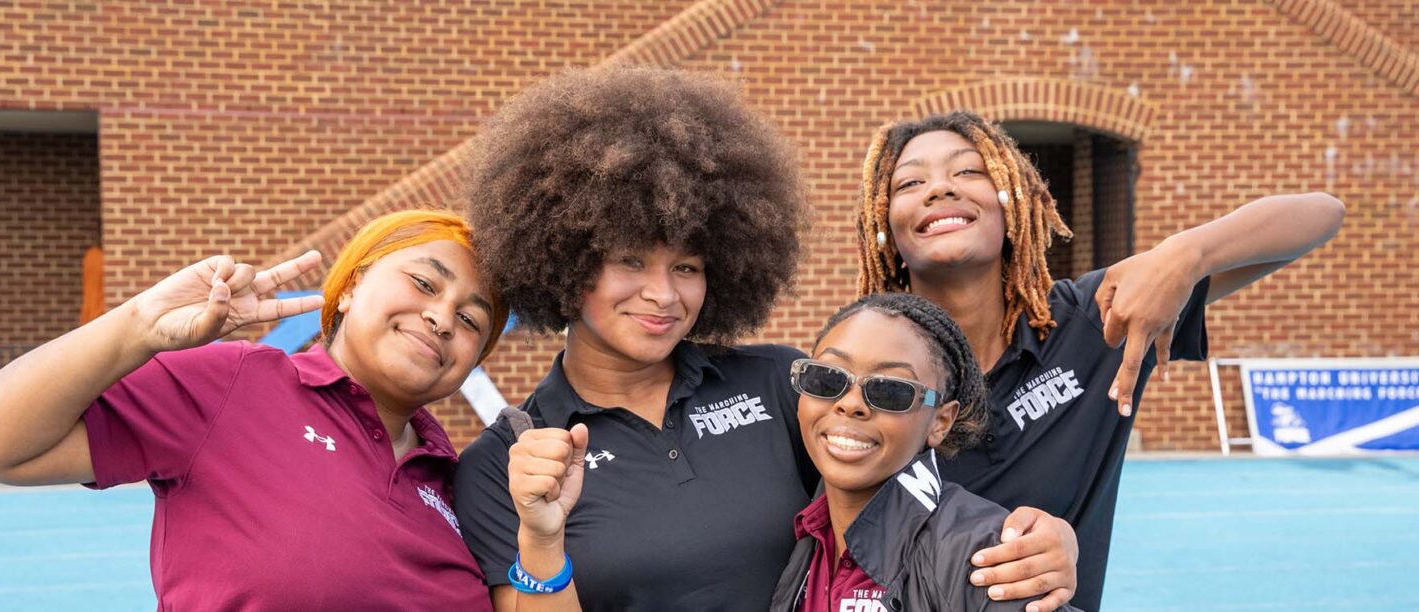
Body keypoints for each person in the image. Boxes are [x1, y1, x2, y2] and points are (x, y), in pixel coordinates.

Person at [453, 66, 1077, 612]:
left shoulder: (780, 382)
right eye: (631, 261)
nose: (663, 294)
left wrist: (1039, 539)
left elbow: (918, 473)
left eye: (687, 267)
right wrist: (541, 538)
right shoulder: (509, 459)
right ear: (564, 261)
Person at [855, 110, 1346, 610]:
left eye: (968, 171)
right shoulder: (859, 374)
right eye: (910, 182)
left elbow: (1322, 214)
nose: (940, 188)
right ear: (883, 226)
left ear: (1014, 202)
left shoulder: (1095, 322)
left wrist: (1187, 254)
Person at [0, 210, 508, 610]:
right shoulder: (233, 384)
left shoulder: (463, 480)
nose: (442, 319)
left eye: (470, 320)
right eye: (423, 283)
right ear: (353, 287)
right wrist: (141, 325)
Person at [771, 292, 1079, 612]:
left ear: (940, 422)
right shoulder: (805, 535)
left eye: (891, 391)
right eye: (826, 378)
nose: (850, 403)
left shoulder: (985, 556)